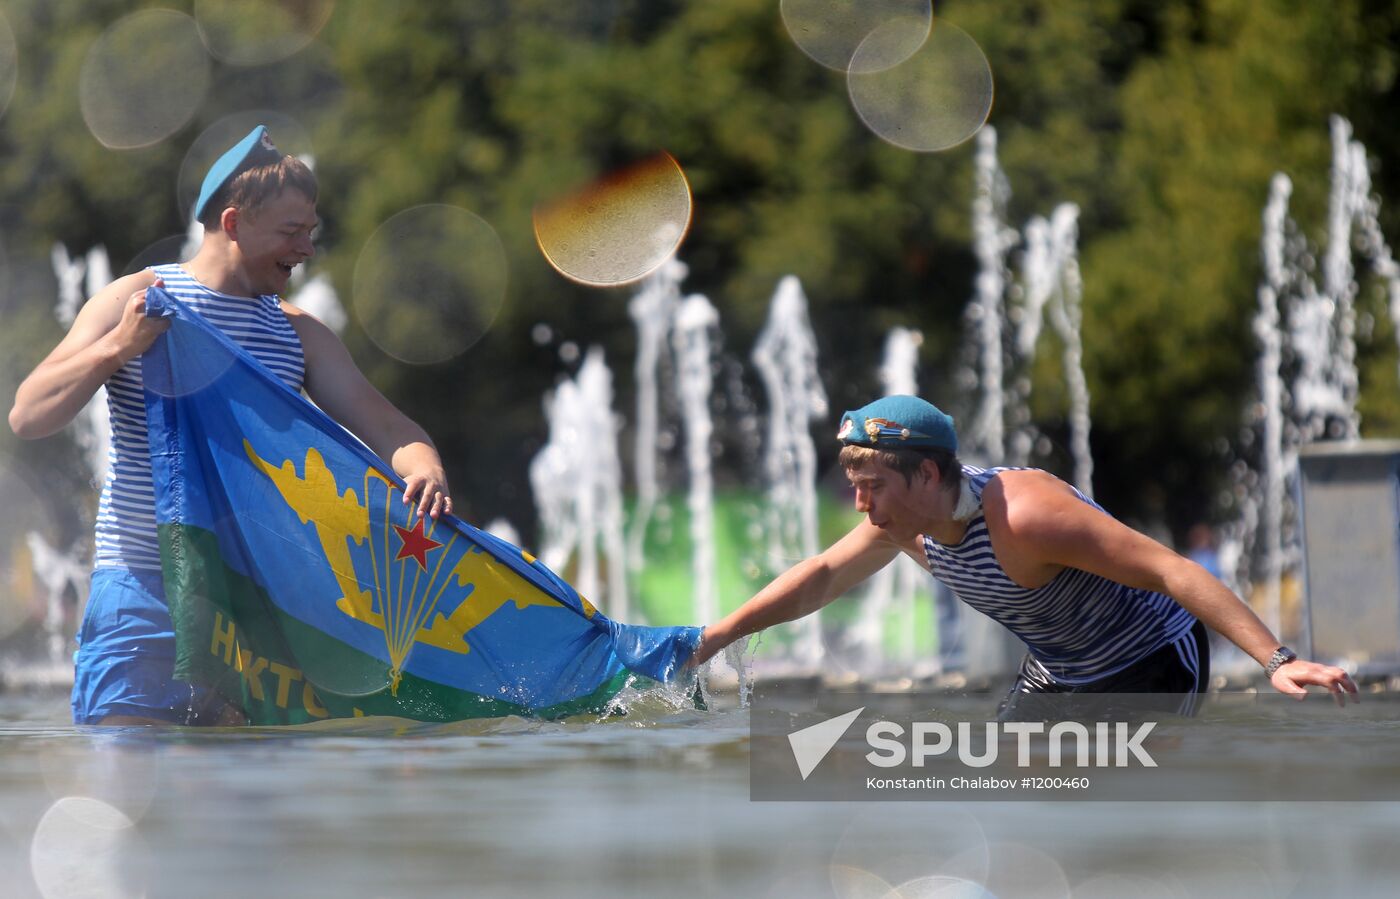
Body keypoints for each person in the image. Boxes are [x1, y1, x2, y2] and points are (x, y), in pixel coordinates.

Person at [9, 126, 453, 726]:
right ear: (235, 222)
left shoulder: (298, 334)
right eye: (292, 232)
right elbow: (29, 414)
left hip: (252, 609)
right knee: (122, 785)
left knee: (240, 800)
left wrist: (424, 467)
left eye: (311, 232)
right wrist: (118, 347)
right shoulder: (138, 299)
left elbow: (385, 424)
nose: (307, 250)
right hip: (141, 586)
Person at [692, 395, 1358, 713]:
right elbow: (820, 576)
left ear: (927, 475)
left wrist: (1278, 659)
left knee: (1117, 806)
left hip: (1150, 660)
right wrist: (715, 636)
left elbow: (1170, 568)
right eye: (855, 489)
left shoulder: (1025, 513)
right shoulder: (904, 524)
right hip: (1060, 669)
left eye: (874, 487)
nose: (863, 507)